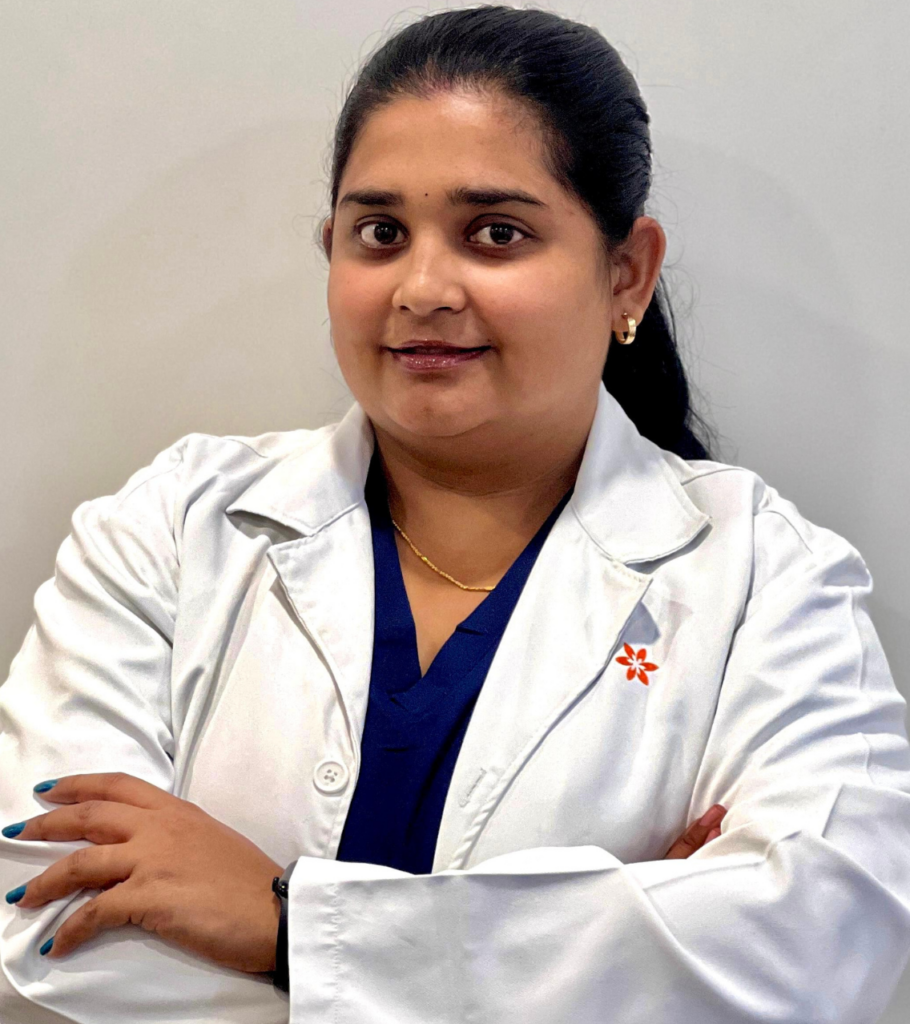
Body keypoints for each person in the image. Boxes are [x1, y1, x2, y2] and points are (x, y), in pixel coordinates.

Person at [1, 5, 909, 1022]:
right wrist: (609, 938)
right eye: (380, 233)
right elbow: (47, 921)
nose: (423, 288)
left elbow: (820, 950)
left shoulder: (765, 578)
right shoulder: (171, 529)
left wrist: (286, 925)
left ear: (627, 272)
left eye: (496, 233)